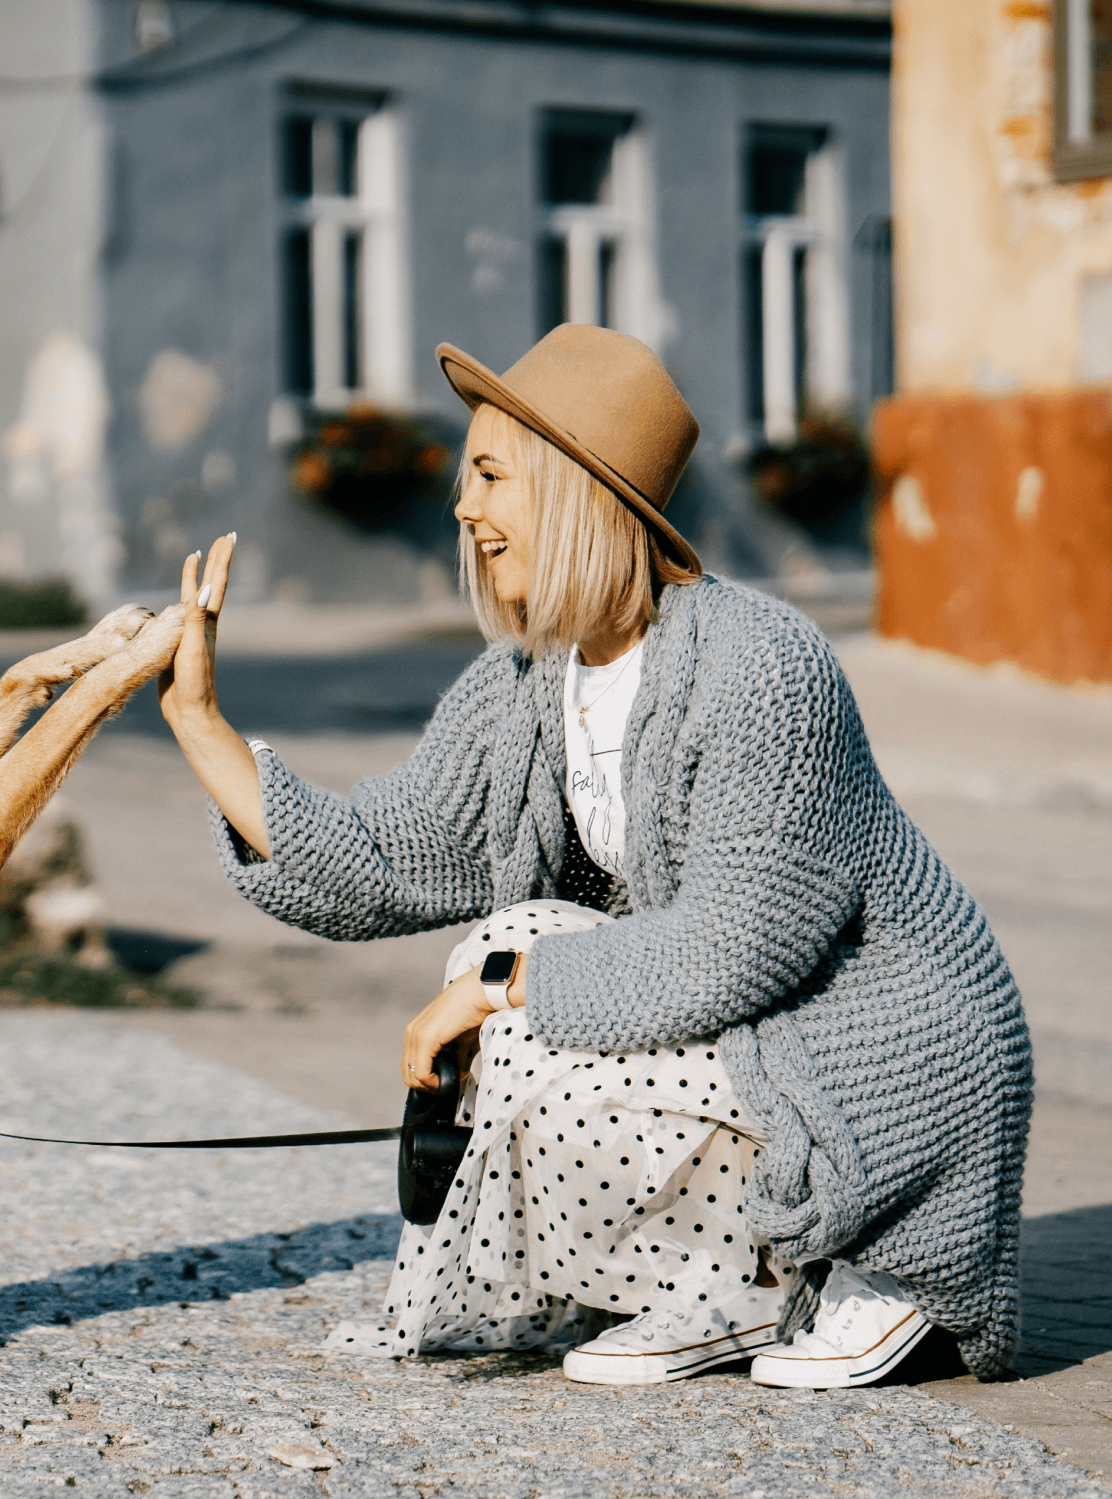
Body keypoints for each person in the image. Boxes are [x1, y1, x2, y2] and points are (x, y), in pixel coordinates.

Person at [157, 325, 1031, 1387]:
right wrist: (201, 724)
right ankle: (713, 1286)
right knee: (509, 943)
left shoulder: (761, 667)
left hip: (881, 1057)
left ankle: (839, 1266)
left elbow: (732, 950)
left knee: (512, 980)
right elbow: (386, 857)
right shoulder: (528, 680)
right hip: (751, 1040)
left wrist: (496, 992)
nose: (461, 509)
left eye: (488, 476)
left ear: (572, 488)